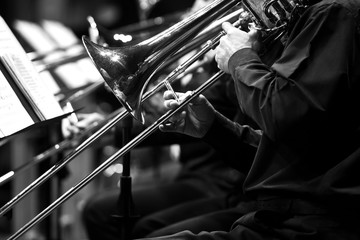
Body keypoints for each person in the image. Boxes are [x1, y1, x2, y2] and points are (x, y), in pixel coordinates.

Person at [150, 0, 360, 239]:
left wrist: (240, 58)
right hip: (281, 216)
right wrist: (214, 129)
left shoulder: (334, 12)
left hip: (309, 222)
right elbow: (294, 150)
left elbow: (282, 114)